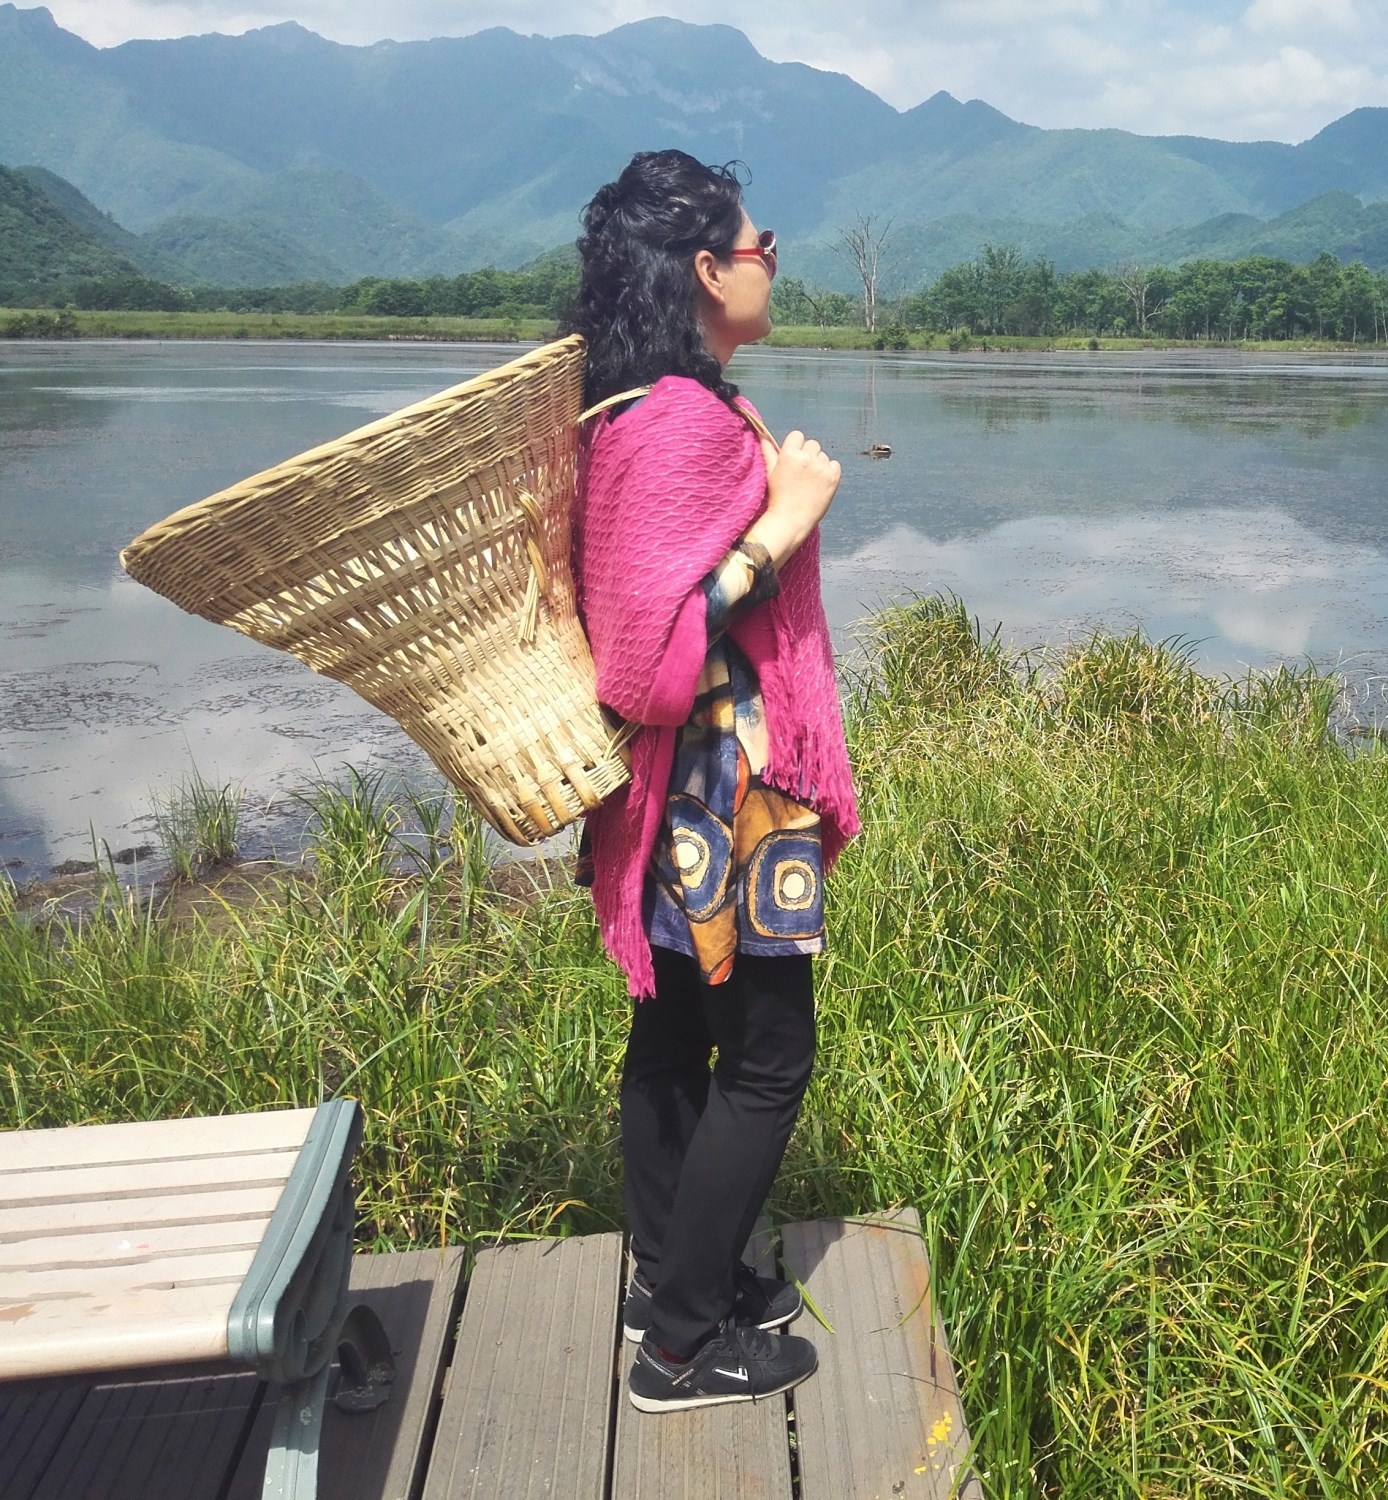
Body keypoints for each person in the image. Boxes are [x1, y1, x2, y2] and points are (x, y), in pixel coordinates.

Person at [562, 149, 861, 1414]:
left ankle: (669, 1275)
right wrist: (783, 521)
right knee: (768, 1059)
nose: (769, 267)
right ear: (705, 269)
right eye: (762, 249)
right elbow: (649, 653)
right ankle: (680, 1346)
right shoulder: (680, 421)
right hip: (718, 792)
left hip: (677, 796)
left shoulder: (651, 400)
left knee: (675, 1038)